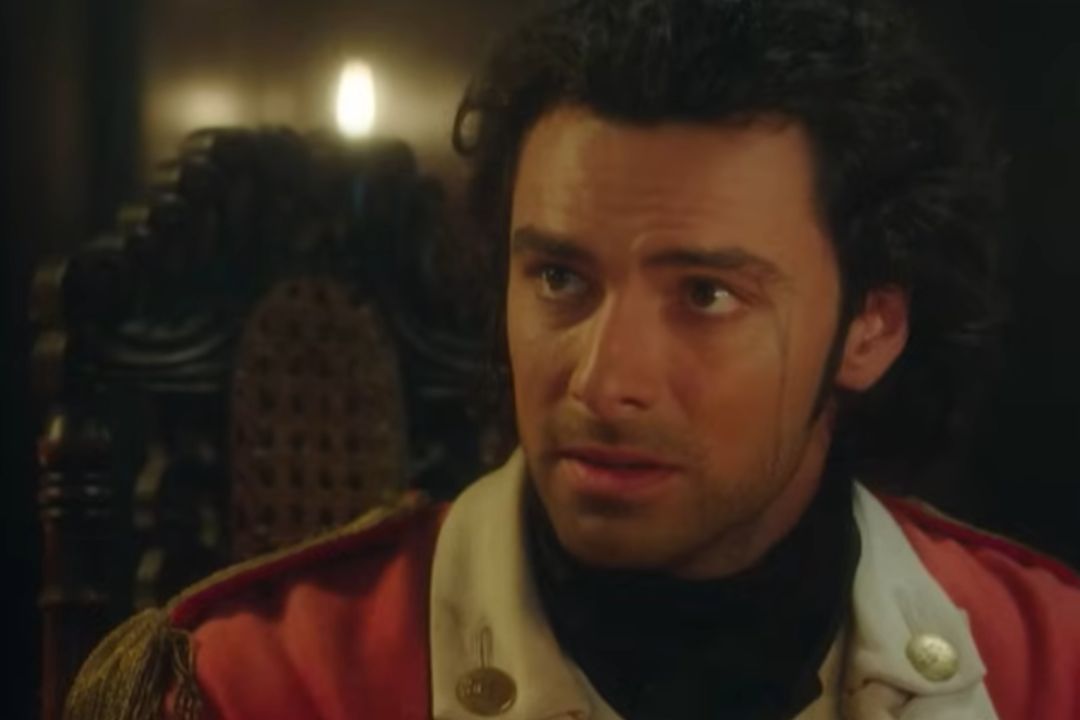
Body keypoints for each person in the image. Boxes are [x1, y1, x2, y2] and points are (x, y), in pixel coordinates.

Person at [66, 1, 1080, 719]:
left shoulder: (1049, 665)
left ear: (871, 330)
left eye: (706, 295)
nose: (601, 381)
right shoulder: (258, 682)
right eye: (559, 278)